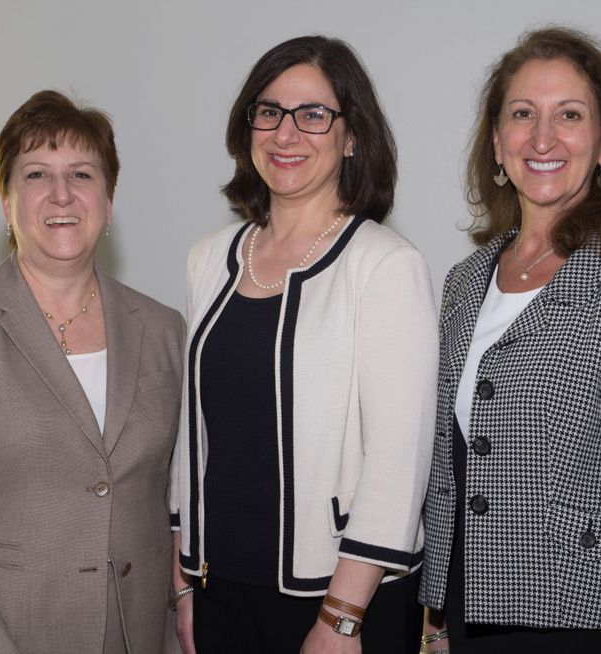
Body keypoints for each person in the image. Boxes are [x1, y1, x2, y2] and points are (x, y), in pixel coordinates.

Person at [419, 27, 601, 654]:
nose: (543, 138)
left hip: (593, 628)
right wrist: (437, 614)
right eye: (522, 115)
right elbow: (453, 464)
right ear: (496, 145)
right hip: (470, 619)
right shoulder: (465, 284)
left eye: (569, 116)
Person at [167, 36, 438, 654]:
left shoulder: (385, 265)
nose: (286, 134)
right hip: (219, 587)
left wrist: (341, 617)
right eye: (269, 112)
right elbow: (192, 432)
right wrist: (182, 582)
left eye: (314, 114)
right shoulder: (208, 259)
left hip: (339, 597)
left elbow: (399, 461)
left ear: (352, 136)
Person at [0, 90, 184, 654]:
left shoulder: (164, 329)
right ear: (6, 201)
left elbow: (175, 501)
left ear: (109, 198)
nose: (62, 194)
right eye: (36, 175)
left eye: (81, 173)